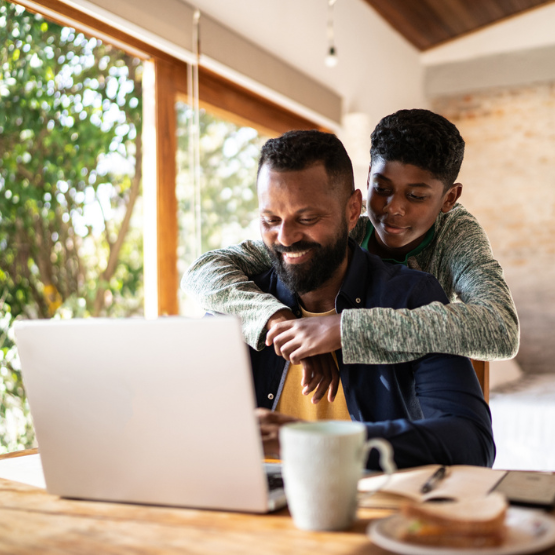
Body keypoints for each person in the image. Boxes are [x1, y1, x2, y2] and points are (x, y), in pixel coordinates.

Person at [183, 109, 519, 404]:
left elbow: (501, 329)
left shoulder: (456, 235)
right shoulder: (343, 229)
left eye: (416, 196)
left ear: (449, 198)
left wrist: (345, 329)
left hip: (418, 392)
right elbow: (204, 271)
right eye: (382, 189)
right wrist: (279, 320)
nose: (393, 209)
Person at [220, 130, 494, 469]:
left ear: (353, 211)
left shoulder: (411, 297)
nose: (285, 238)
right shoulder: (236, 304)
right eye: (270, 220)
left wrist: (322, 444)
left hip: (376, 510)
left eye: (307, 219)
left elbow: (471, 443)